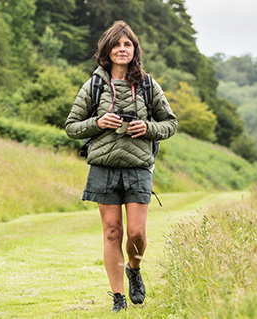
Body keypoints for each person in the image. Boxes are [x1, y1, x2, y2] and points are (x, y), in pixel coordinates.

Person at [65, 21, 177, 312]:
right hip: (103, 167)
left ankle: (134, 270)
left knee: (137, 234)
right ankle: (118, 298)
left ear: (135, 50)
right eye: (117, 44)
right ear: (107, 49)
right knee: (113, 232)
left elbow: (171, 123)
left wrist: (148, 128)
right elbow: (71, 127)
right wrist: (98, 123)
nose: (122, 49)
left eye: (127, 44)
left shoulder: (149, 85)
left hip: (139, 167)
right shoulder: (94, 84)